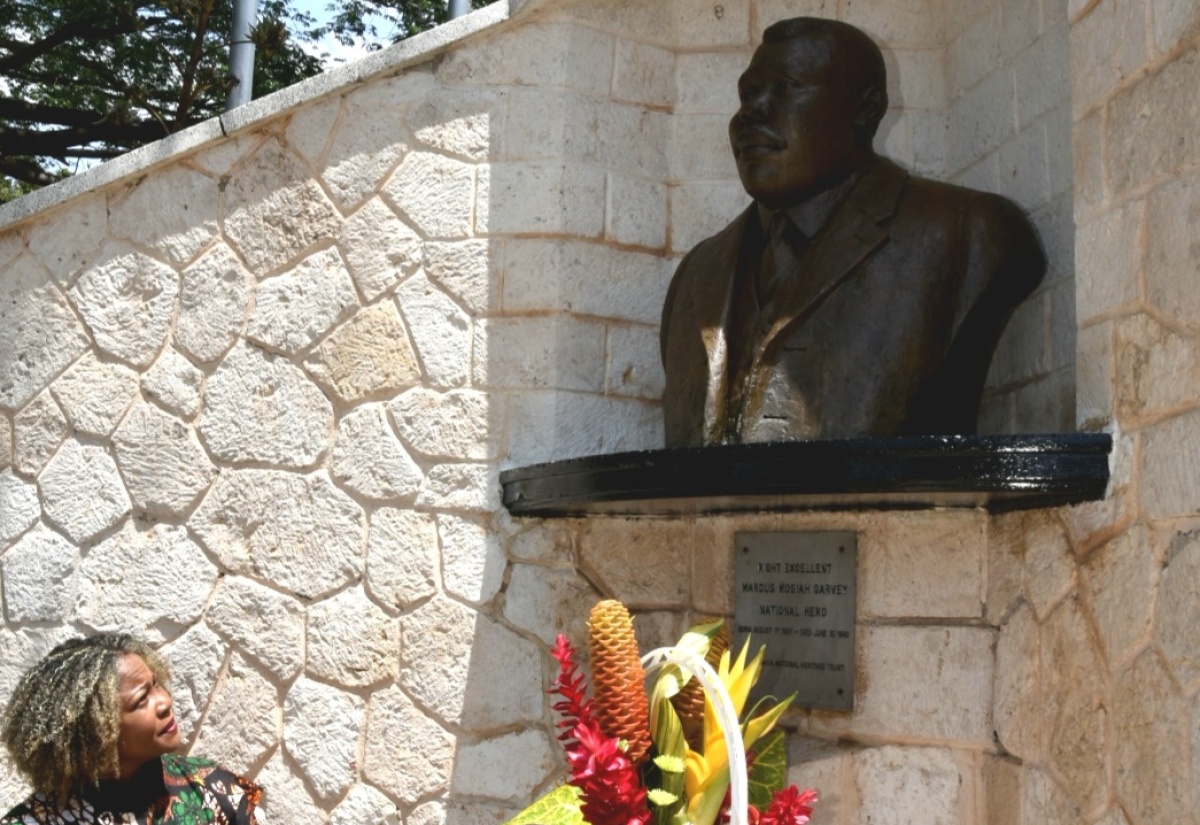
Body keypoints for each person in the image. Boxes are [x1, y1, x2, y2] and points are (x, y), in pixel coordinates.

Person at [660, 17, 1046, 447]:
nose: (752, 112)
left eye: (786, 87)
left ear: (866, 107)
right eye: (748, 93)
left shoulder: (970, 235)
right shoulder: (696, 276)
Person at [1, 635, 264, 825]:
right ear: (96, 733)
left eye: (156, 684)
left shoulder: (213, 789)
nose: (164, 702)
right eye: (142, 699)